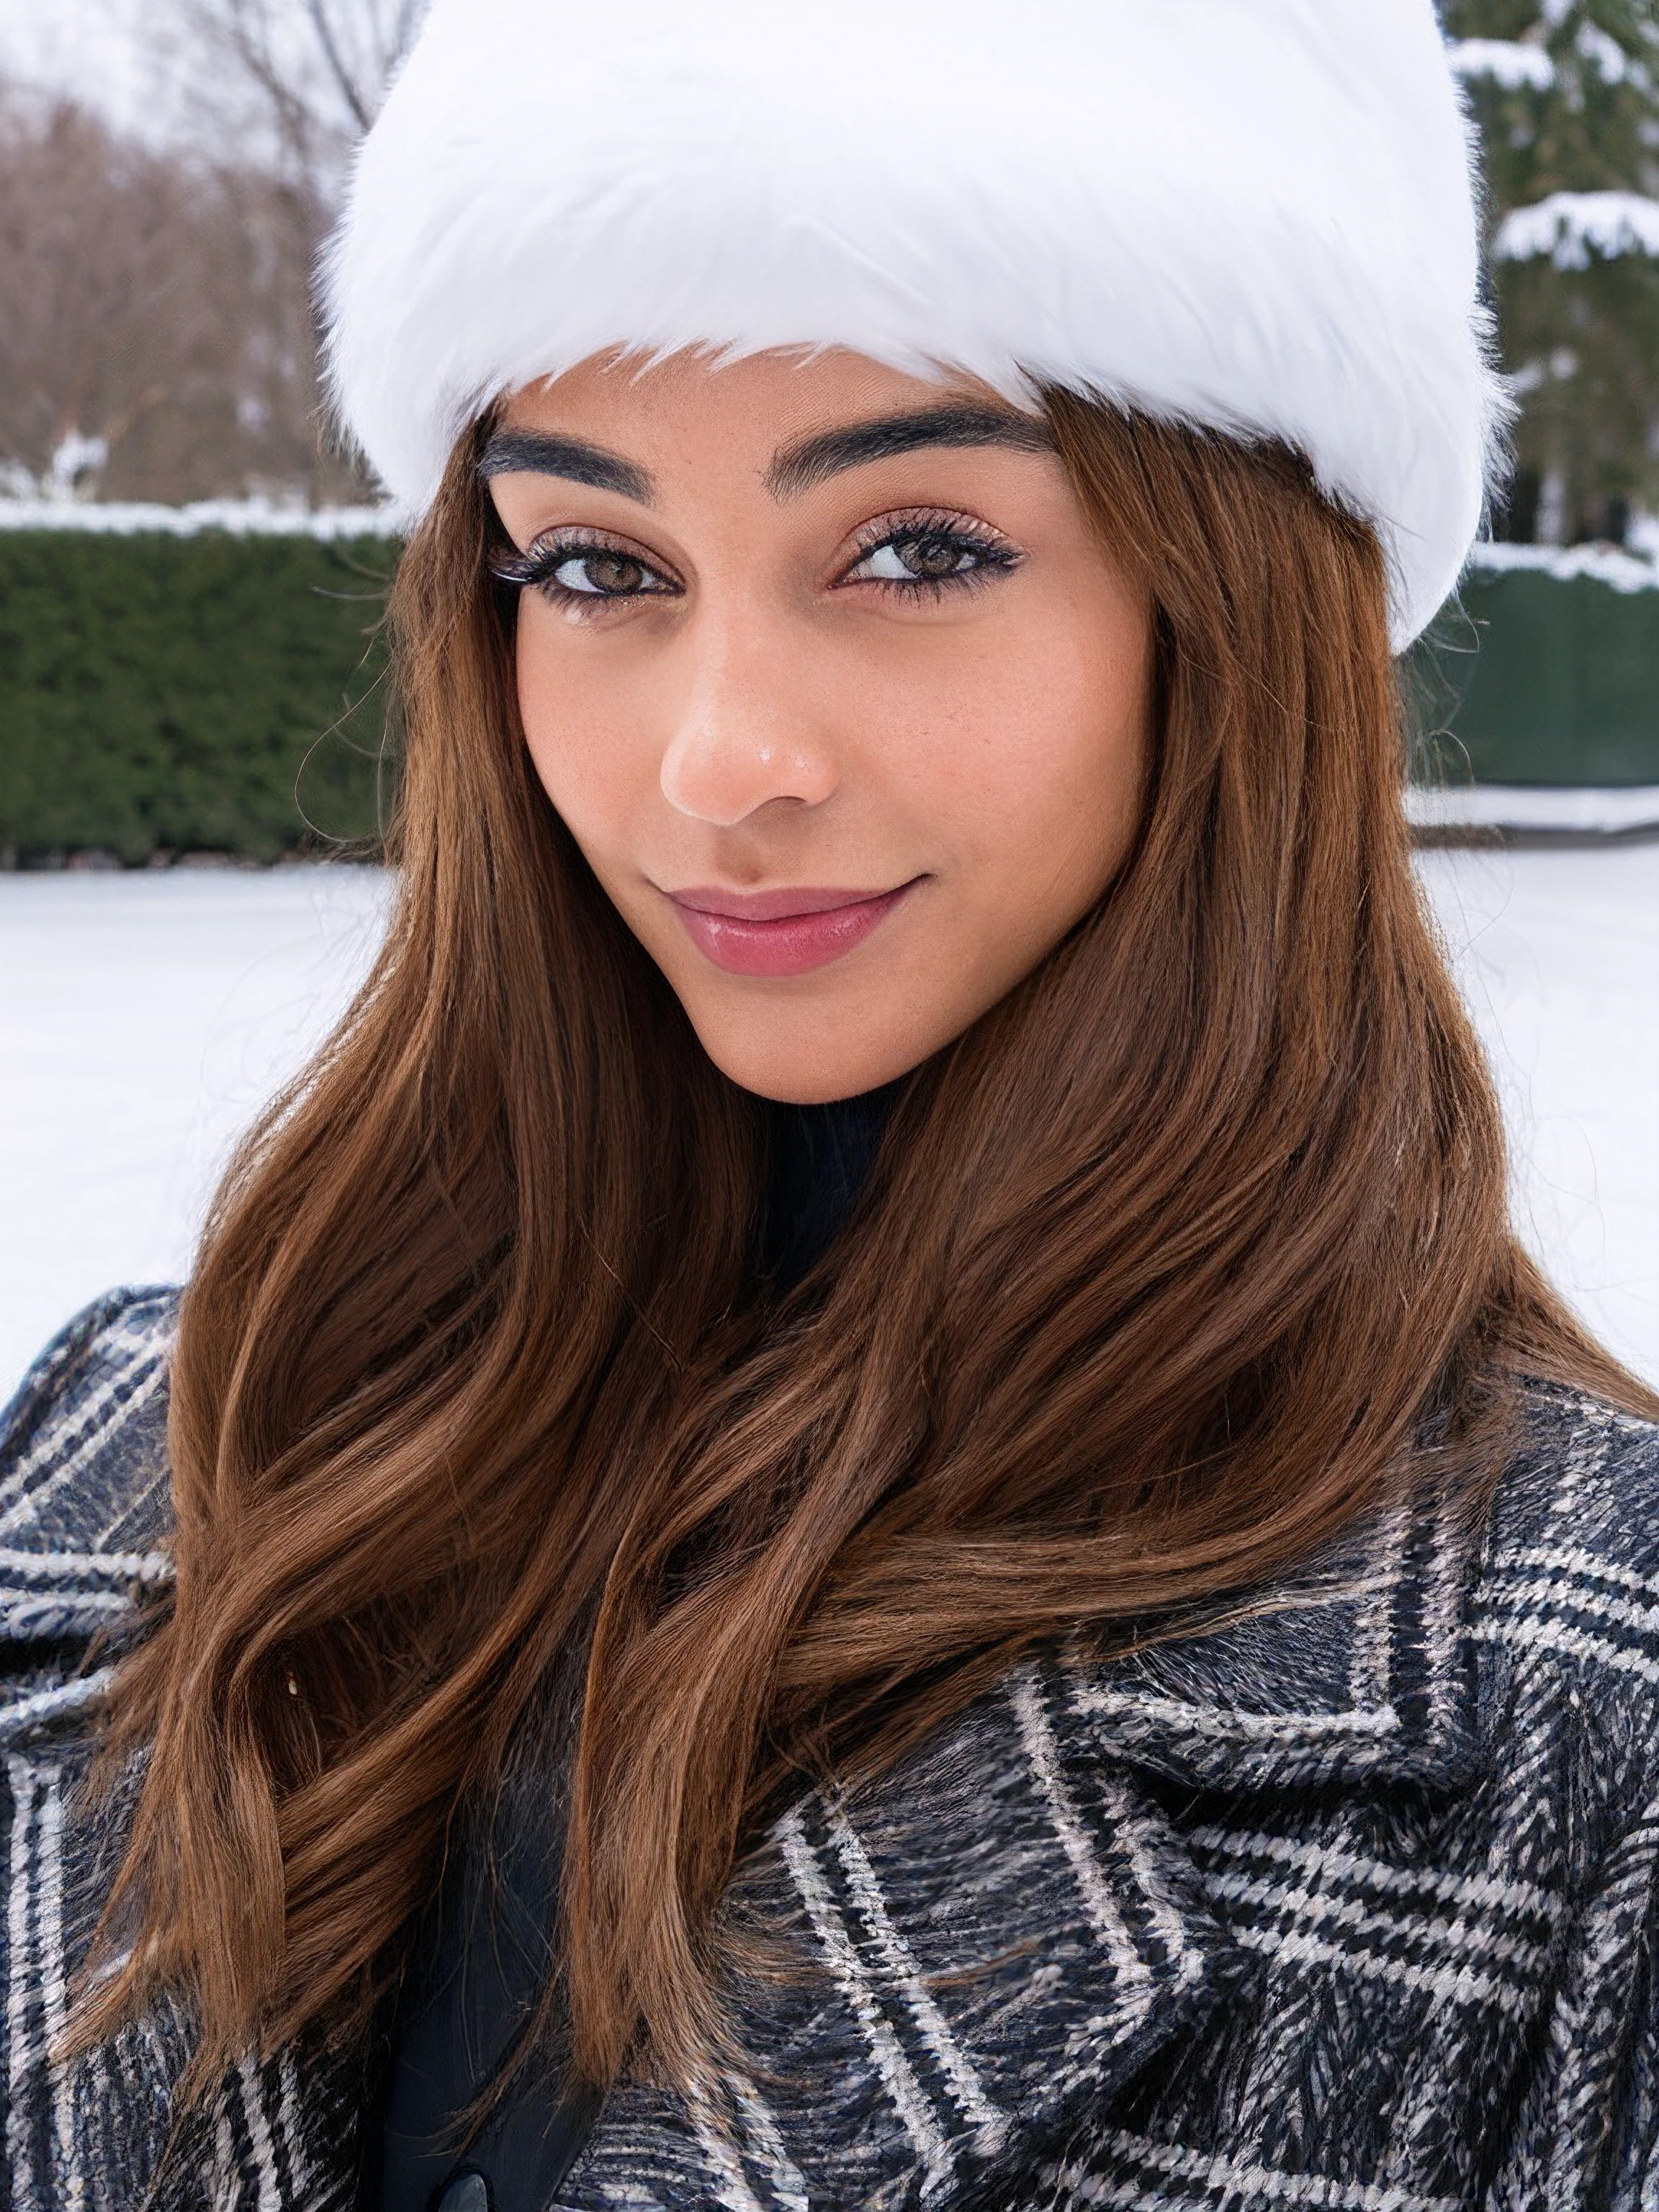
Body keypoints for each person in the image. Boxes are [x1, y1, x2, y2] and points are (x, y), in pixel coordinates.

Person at [4, 2, 1658, 2206]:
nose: (717, 760)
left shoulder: (1581, 1703)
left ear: (1241, 603)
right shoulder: (152, 1439)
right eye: (595, 567)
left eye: (918, 550)